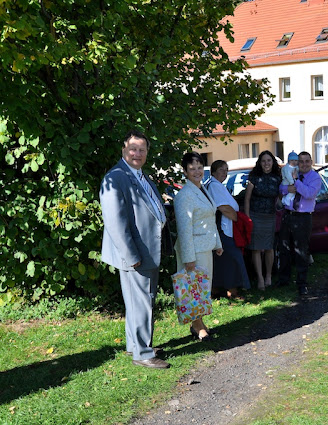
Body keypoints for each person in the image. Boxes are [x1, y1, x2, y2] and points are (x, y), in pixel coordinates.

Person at [100, 130, 171, 369]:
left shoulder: (139, 174)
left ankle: (136, 345)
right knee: (141, 302)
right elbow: (115, 221)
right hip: (135, 253)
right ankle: (143, 353)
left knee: (139, 301)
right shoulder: (115, 177)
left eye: (142, 150)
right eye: (133, 149)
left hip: (148, 249)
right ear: (124, 150)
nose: (137, 153)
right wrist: (131, 255)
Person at [173, 152, 223, 341]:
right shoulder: (184, 195)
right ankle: (197, 327)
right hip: (193, 249)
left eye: (200, 167)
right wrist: (188, 258)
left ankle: (200, 324)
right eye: (192, 168)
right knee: (193, 288)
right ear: (185, 171)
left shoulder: (202, 189)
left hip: (205, 247)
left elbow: (210, 218)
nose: (197, 171)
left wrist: (217, 243)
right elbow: (184, 228)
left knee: (202, 289)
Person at [205, 160, 251, 299]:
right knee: (232, 258)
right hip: (224, 228)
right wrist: (238, 219)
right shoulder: (214, 185)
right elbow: (223, 207)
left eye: (226, 170)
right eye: (221, 170)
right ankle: (232, 290)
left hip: (226, 227)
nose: (224, 173)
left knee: (223, 260)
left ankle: (219, 290)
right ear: (213, 171)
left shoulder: (218, 185)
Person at [278, 151, 321, 296]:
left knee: (301, 251)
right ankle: (283, 280)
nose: (303, 164)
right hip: (288, 214)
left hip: (303, 217)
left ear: (311, 162)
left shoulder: (314, 177)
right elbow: (281, 188)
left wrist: (296, 181)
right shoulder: (290, 171)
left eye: (306, 161)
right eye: (301, 161)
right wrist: (288, 188)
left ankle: (302, 283)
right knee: (284, 248)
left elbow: (309, 194)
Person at [243, 151, 282, 290]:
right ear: (260, 163)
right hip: (255, 216)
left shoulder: (277, 178)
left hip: (270, 216)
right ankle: (260, 278)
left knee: (269, 247)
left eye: (269, 160)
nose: (266, 163)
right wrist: (248, 218)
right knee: (256, 248)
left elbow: (281, 197)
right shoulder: (254, 177)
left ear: (273, 162)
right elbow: (247, 199)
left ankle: (268, 276)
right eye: (263, 161)